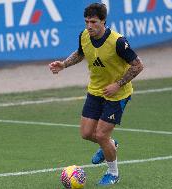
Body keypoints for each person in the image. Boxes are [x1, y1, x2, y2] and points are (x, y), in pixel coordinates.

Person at [49, 3, 144, 186]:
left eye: (93, 22)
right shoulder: (85, 35)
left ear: (103, 21)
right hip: (95, 91)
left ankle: (113, 173)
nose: (89, 26)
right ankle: (111, 144)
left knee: (100, 135)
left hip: (117, 94)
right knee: (86, 133)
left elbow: (138, 65)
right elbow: (80, 53)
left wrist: (118, 84)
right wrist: (64, 65)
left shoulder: (118, 42)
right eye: (86, 22)